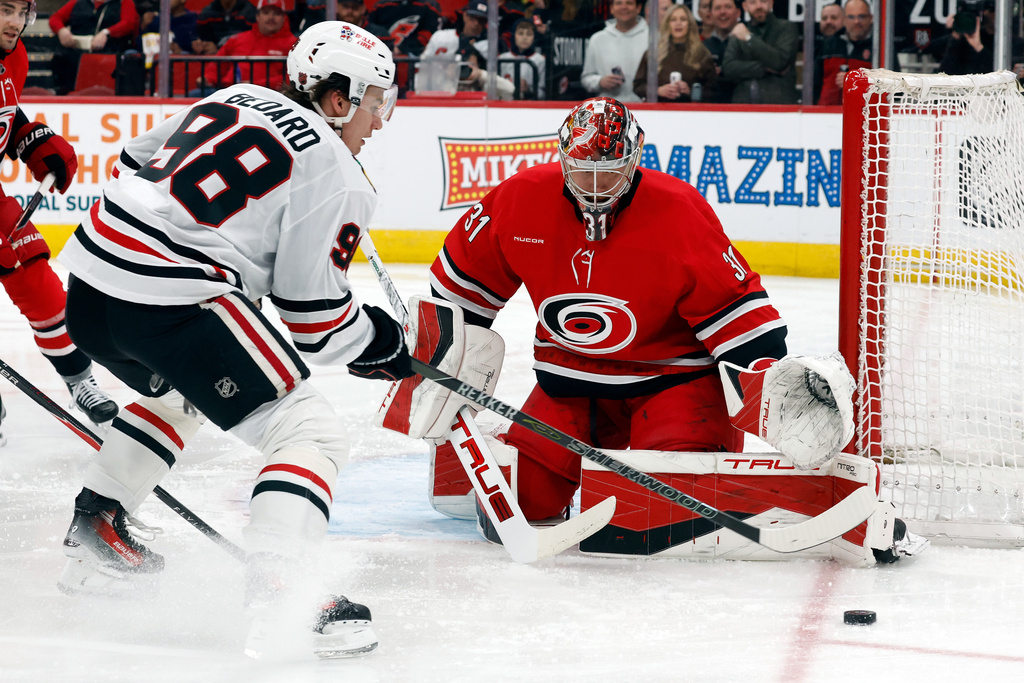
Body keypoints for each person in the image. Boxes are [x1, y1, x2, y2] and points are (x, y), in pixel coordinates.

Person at [426, 95, 926, 565]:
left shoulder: (677, 210)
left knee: (650, 519)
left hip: (673, 384)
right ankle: (524, 450)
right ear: (561, 158)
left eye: (610, 170)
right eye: (582, 168)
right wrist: (438, 363)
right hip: (571, 383)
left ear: (635, 159)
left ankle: (754, 490)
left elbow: (738, 315)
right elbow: (455, 296)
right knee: (520, 502)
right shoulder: (519, 199)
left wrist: (767, 379)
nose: (596, 185)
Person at [54, 20, 411, 658]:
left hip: (88, 284)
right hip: (171, 301)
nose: (379, 122)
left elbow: (135, 160)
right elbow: (315, 321)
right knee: (310, 433)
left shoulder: (236, 96)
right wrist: (378, 341)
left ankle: (95, 533)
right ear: (339, 99)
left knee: (180, 394)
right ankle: (281, 588)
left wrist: (232, 248)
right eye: (376, 102)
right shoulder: (338, 172)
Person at [0, 0, 119, 429]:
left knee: (41, 285)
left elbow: (7, 112)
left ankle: (80, 381)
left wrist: (30, 140)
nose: (16, 23)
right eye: (5, 10)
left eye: (22, 12)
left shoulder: (15, 55)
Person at [193, 0, 295, 95]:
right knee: (195, 94)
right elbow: (218, 65)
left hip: (270, 95)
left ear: (284, 18)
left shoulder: (294, 44)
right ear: (257, 16)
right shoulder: (238, 39)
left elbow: (292, 78)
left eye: (276, 13)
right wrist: (207, 78)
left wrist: (255, 85)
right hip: (230, 92)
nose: (271, 17)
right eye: (266, 13)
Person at [48, 0, 140, 95]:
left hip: (109, 51)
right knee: (61, 58)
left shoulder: (124, 2)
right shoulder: (78, 2)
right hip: (75, 51)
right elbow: (55, 18)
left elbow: (128, 23)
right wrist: (61, 30)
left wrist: (107, 33)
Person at [633, 2, 717, 102]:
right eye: (673, 20)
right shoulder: (653, 53)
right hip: (659, 109)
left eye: (683, 19)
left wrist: (690, 92)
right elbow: (638, 86)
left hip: (690, 110)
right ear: (667, 24)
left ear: (690, 24)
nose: (678, 23)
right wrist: (658, 91)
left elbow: (714, 92)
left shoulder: (702, 54)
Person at [721, 0, 798, 103]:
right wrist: (764, 68)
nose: (758, 6)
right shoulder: (740, 31)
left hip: (778, 105)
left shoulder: (786, 27)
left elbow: (780, 62)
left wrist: (749, 38)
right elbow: (728, 67)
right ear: (745, 6)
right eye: (753, 2)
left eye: (763, 1)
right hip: (744, 104)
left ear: (771, 3)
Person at [580, 0, 649, 102]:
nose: (624, 7)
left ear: (638, 8)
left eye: (629, 3)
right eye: (618, 3)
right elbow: (586, 78)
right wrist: (599, 82)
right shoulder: (597, 39)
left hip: (646, 108)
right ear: (611, 9)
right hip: (609, 108)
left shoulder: (653, 38)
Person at [816, 0, 872, 105]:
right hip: (826, 111)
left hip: (865, 112)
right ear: (844, 19)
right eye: (851, 17)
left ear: (871, 18)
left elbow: (894, 86)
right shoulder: (828, 44)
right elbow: (814, 83)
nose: (856, 21)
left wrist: (858, 83)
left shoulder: (880, 47)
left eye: (861, 16)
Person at [497, 16, 547, 98]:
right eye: (520, 33)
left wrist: (528, 90)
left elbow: (544, 93)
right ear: (514, 36)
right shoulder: (502, 59)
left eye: (529, 34)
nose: (524, 37)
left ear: (534, 37)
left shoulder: (540, 60)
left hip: (529, 104)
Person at [703, 0, 739, 103]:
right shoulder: (703, 47)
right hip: (711, 106)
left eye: (728, 7)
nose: (722, 12)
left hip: (744, 106)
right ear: (710, 14)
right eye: (717, 8)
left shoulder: (749, 41)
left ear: (738, 12)